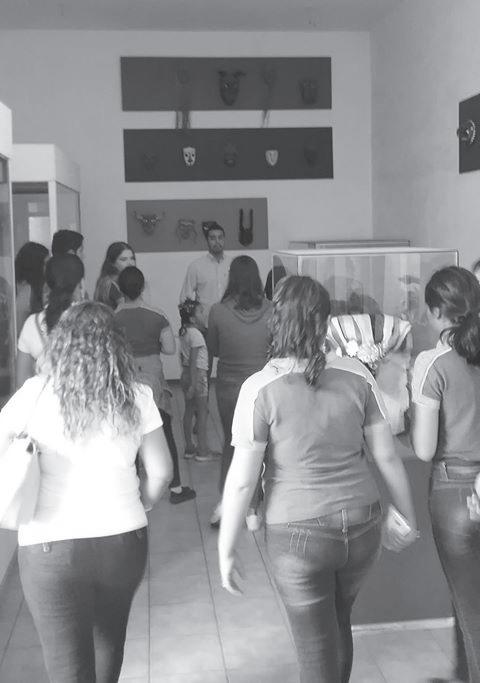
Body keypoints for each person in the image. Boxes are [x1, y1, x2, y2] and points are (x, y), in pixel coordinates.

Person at [218, 275, 417, 683]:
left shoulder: (260, 388)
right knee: (339, 620)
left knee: (314, 648)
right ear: (327, 322)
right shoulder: (358, 375)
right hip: (361, 526)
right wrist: (407, 515)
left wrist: (227, 546)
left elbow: (242, 481)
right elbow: (386, 456)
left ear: (276, 321)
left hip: (297, 535)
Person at [0, 301, 173, 682]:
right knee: (108, 645)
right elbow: (161, 472)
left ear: (60, 343)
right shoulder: (136, 394)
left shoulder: (33, 395)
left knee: (67, 666)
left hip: (49, 546)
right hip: (123, 539)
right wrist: (142, 501)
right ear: (116, 344)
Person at [411, 266, 480, 682]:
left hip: (455, 490)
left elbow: (423, 448)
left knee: (471, 609)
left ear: (437, 311)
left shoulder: (432, 363)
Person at [115, 266, 196, 505]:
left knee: (128, 431)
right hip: (153, 377)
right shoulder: (157, 315)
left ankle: (131, 489)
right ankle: (176, 487)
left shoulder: (112, 317)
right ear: (143, 287)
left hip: (124, 373)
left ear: (120, 289)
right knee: (164, 428)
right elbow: (170, 348)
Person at [207, 255, 272, 530]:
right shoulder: (272, 310)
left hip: (229, 387)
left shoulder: (217, 311)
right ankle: (253, 510)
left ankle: (227, 504)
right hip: (264, 387)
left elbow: (214, 349)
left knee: (231, 445)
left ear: (231, 278)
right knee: (260, 446)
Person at [16, 253, 84, 388]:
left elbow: (21, 382)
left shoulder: (32, 323)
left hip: (44, 399)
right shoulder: (89, 320)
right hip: (80, 398)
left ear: (48, 283)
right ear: (79, 284)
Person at [179, 222, 231, 332]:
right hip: (205, 326)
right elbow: (185, 298)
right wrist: (191, 325)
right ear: (207, 241)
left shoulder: (233, 264)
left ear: (224, 240)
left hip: (229, 324)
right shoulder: (196, 266)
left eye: (220, 238)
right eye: (212, 238)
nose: (217, 241)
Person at [178, 299, 212, 462]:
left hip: (186, 374)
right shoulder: (196, 335)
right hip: (197, 376)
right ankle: (202, 450)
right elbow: (193, 360)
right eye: (200, 312)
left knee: (189, 410)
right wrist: (193, 383)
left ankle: (189, 447)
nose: (203, 315)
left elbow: (183, 358)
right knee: (202, 412)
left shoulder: (184, 333)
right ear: (192, 318)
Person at [14, 241, 49, 332]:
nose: (49, 268)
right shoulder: (27, 291)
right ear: (36, 265)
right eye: (46, 264)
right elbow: (18, 327)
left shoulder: (40, 287)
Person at [94, 242, 135, 310]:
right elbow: (127, 310)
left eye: (132, 258)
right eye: (123, 259)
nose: (130, 263)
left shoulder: (127, 280)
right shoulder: (111, 284)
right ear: (112, 263)